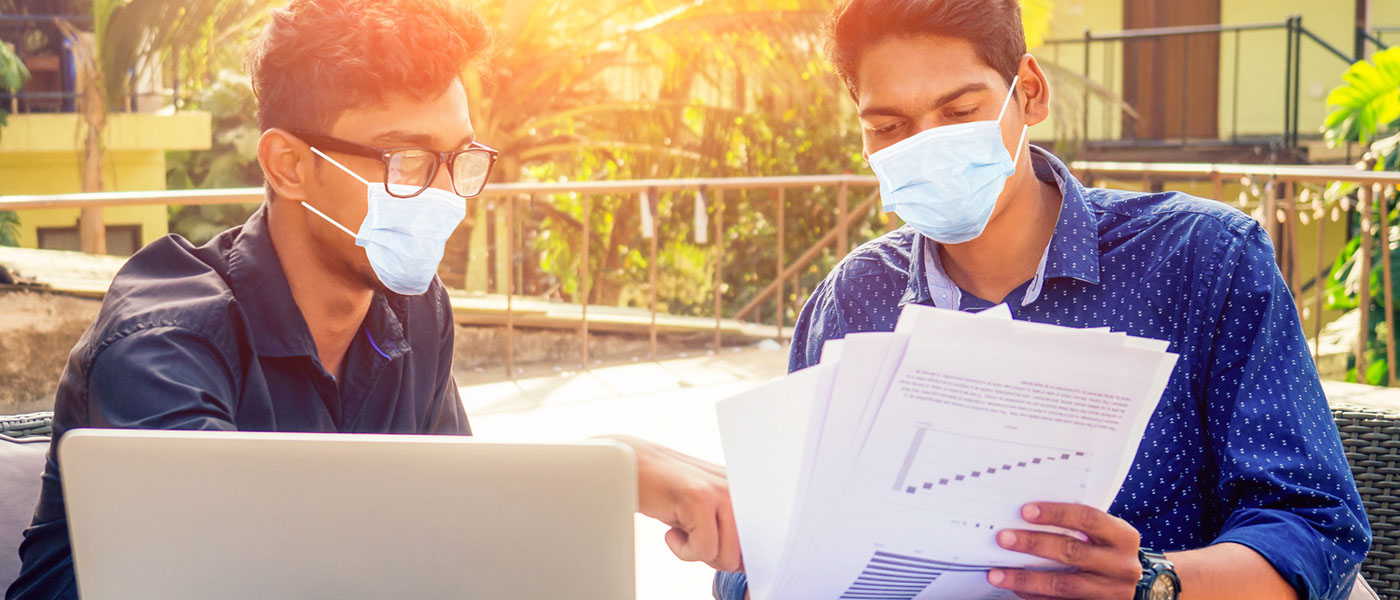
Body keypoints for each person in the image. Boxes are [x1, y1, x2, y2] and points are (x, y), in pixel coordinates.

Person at [5, 1, 739, 598]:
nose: (447, 195)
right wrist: (604, 468)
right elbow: (233, 568)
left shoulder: (413, 311)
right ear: (289, 165)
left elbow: (445, 533)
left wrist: (586, 492)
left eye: (460, 160)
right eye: (409, 162)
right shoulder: (164, 337)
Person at [713, 0, 1370, 599]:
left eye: (959, 113)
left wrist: (1155, 583)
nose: (924, 147)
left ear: (1028, 92)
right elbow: (772, 549)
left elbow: (1314, 528)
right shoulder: (852, 302)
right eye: (888, 125)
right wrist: (741, 549)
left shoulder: (1203, 259)